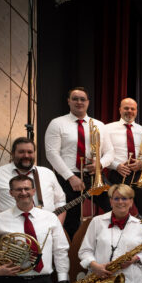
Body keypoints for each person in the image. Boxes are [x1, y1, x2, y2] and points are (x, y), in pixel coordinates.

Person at [43, 87, 114, 238]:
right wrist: (71, 177)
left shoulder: (99, 125)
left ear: (88, 102)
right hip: (68, 177)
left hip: (94, 175)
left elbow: (110, 152)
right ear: (68, 101)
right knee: (71, 220)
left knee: (114, 207)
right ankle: (71, 255)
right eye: (75, 98)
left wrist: (99, 164)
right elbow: (51, 153)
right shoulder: (57, 123)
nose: (79, 102)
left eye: (83, 99)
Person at [0, 137, 65, 222]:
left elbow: (60, 202)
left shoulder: (48, 173)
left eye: (30, 152)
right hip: (11, 231)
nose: (26, 155)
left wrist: (56, 226)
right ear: (13, 154)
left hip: (46, 230)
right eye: (21, 152)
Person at [102, 98, 142, 228]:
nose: (129, 111)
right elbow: (103, 154)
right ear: (120, 109)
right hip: (117, 175)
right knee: (116, 212)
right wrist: (116, 166)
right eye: (126, 108)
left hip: (139, 176)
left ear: (136, 111)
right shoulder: (107, 128)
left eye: (132, 109)